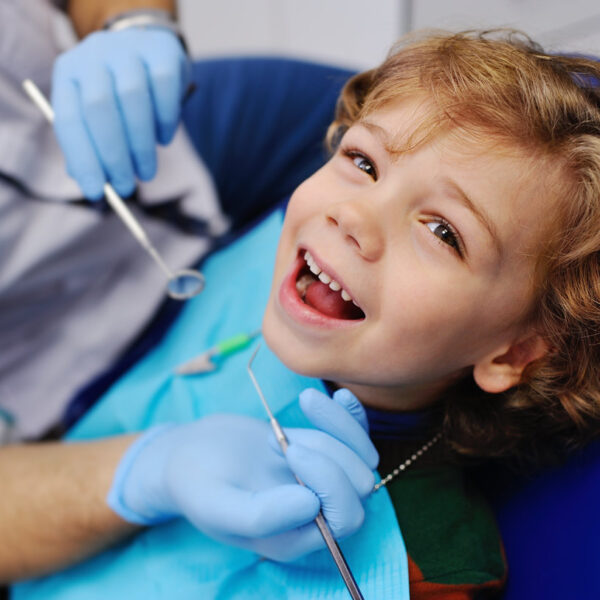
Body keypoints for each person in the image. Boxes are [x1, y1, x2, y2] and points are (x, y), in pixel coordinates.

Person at [10, 27, 600, 600]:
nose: (354, 216)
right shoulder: (258, 262)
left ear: (512, 352)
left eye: (444, 231)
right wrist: (150, 471)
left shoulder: (434, 569)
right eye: (365, 162)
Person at [1, 0, 360, 588]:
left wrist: (132, 21)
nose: (357, 222)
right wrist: (148, 470)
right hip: (62, 388)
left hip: (156, 146)